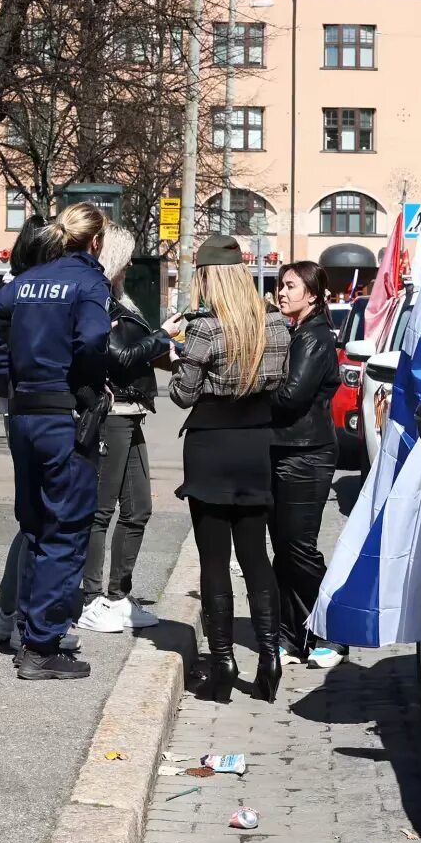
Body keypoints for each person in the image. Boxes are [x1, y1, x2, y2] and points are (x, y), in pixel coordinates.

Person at [0, 203, 113, 680]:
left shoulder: (30, 280)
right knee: (64, 530)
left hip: (25, 416)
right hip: (62, 416)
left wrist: (13, 371)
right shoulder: (89, 280)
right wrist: (83, 379)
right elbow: (93, 338)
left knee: (34, 525)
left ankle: (30, 630)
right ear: (96, 241)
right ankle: (42, 645)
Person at [170, 235, 291, 703]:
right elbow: (278, 383)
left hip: (211, 445)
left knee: (214, 559)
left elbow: (183, 394)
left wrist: (177, 351)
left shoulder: (205, 329)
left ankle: (222, 664)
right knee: (256, 556)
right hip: (256, 443)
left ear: (207, 277)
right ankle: (269, 655)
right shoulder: (276, 325)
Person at [0, 216, 82, 657]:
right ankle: (22, 619)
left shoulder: (25, 286)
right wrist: (13, 368)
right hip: (37, 406)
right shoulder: (28, 287)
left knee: (35, 522)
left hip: (27, 405)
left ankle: (15, 616)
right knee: (42, 523)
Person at [77, 223, 174, 634]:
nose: (132, 263)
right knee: (102, 510)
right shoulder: (98, 298)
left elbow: (134, 353)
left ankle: (117, 594)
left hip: (131, 411)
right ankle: (90, 597)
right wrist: (163, 337)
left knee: (139, 508)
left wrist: (164, 346)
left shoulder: (120, 300)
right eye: (128, 255)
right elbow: (118, 357)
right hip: (111, 412)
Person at [270, 261, 343, 669]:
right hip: (286, 449)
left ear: (312, 295)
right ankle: (290, 634)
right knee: (283, 548)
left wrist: (250, 393)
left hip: (307, 454)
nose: (282, 293)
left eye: (291, 286)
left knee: (299, 548)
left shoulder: (313, 337)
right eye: (280, 286)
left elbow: (291, 396)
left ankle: (332, 631)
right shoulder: (296, 332)